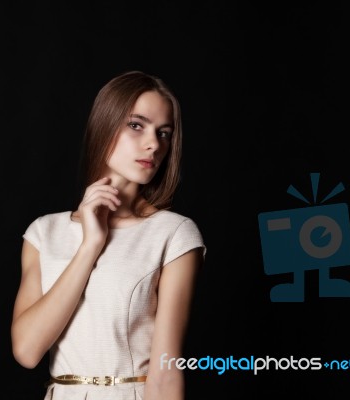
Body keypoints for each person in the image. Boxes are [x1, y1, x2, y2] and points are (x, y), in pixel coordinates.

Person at [11, 70, 206, 400]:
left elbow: (165, 373)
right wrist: (90, 245)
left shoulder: (174, 233)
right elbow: (27, 351)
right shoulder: (44, 232)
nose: (153, 144)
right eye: (136, 125)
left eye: (164, 133)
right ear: (104, 123)